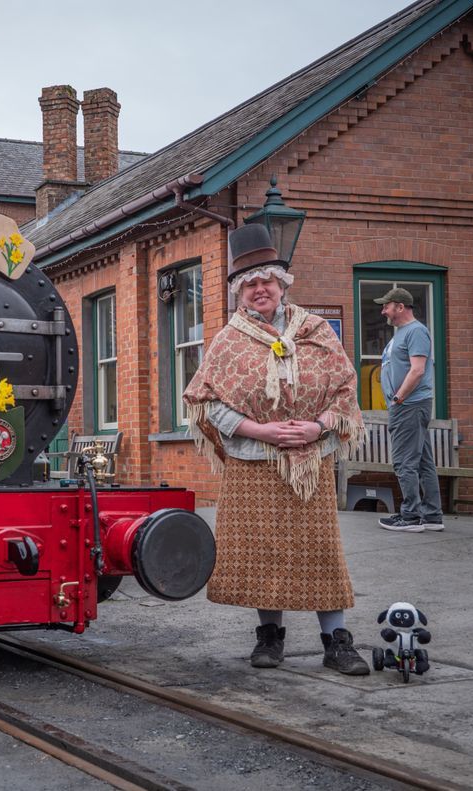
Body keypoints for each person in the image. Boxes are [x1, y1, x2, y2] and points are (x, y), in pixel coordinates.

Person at [183, 223, 370, 676]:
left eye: (267, 280)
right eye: (250, 284)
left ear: (282, 284)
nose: (260, 289)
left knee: (321, 552)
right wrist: (261, 431)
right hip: (252, 463)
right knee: (262, 554)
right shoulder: (229, 341)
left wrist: (316, 427)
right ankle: (270, 636)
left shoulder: (316, 331)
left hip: (311, 461)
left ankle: (336, 641)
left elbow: (345, 393)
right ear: (239, 292)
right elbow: (207, 401)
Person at [374, 288, 444, 533]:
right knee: (423, 461)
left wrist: (398, 398)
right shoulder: (402, 333)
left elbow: (418, 369)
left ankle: (411, 517)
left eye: (386, 306)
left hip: (409, 405)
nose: (383, 311)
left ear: (400, 307)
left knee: (404, 461)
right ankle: (432, 516)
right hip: (409, 406)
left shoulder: (416, 331)